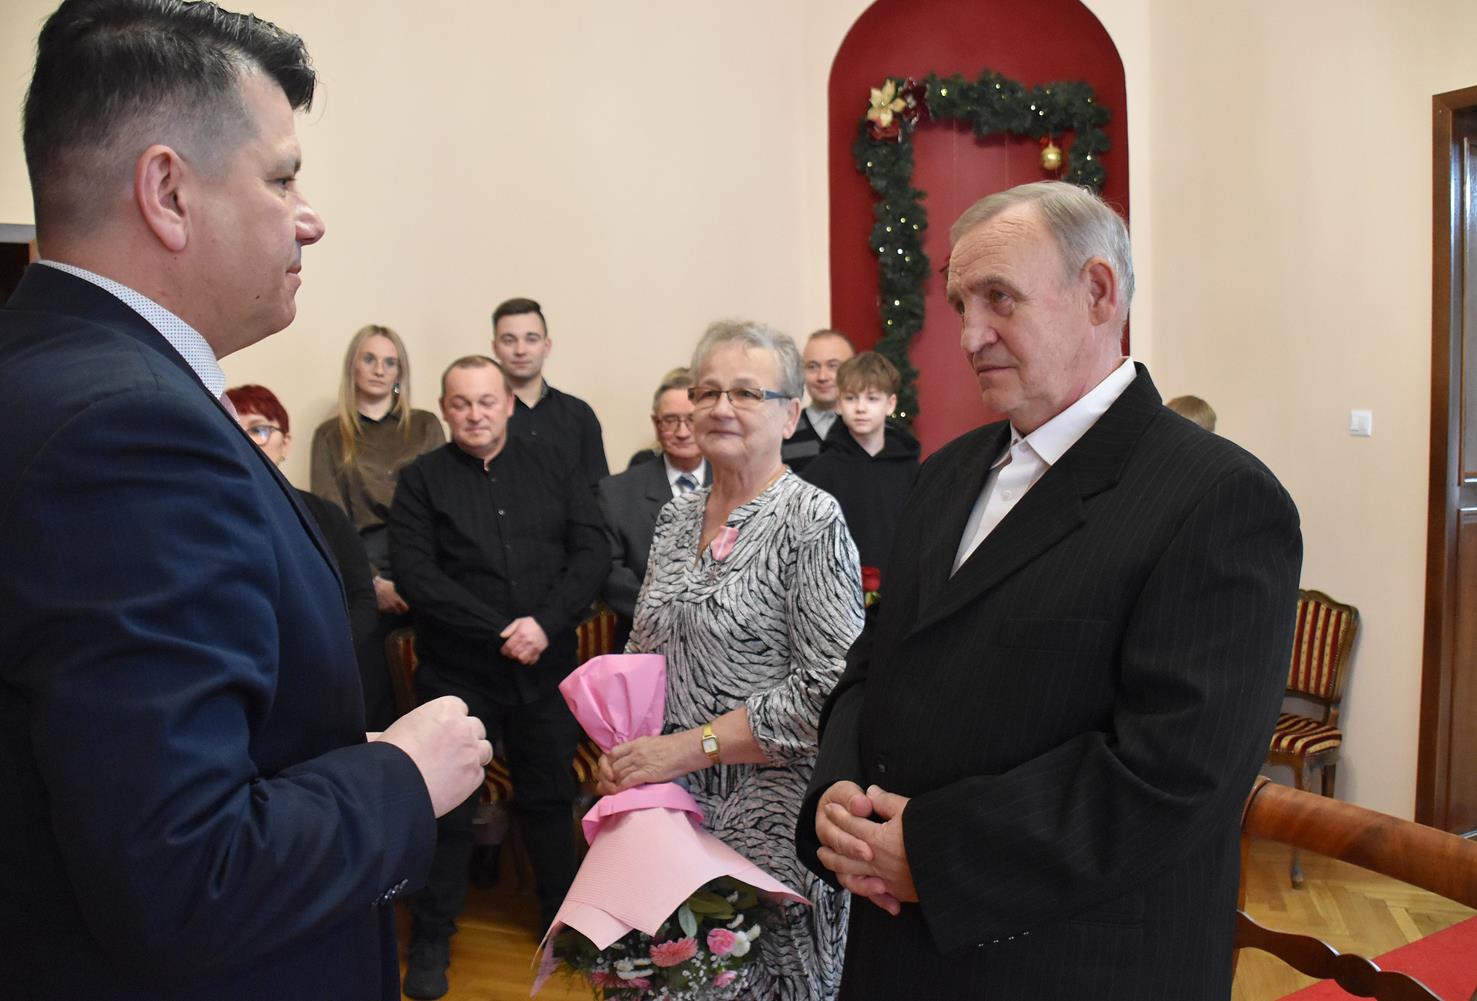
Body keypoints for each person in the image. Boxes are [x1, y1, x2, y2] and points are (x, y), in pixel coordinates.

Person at [0, 4, 491, 1000]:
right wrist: (399, 777)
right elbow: (187, 876)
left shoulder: (55, 373)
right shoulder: (128, 430)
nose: (309, 216)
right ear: (168, 193)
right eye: (281, 177)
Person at [798, 181, 1302, 1000]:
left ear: (1098, 291)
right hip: (894, 943)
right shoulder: (946, 473)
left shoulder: (1218, 497)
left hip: (1070, 960)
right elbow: (875, 661)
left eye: (999, 297)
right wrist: (837, 792)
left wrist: (936, 852)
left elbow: (1173, 774)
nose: (969, 334)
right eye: (961, 303)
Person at [598, 320, 864, 1001]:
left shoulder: (811, 519)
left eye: (746, 392)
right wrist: (624, 751)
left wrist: (686, 749)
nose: (720, 406)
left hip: (767, 829)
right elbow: (643, 651)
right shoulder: (675, 518)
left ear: (790, 413)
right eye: (707, 390)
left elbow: (829, 690)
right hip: (667, 817)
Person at [388, 356, 609, 999]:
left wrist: (544, 623)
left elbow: (592, 550)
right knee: (449, 807)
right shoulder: (421, 480)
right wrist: (500, 630)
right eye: (461, 404)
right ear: (444, 409)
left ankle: (561, 924)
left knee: (547, 798)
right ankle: (432, 938)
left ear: (508, 404)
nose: (475, 414)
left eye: (487, 401)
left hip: (545, 666)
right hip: (460, 671)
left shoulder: (556, 465)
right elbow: (417, 576)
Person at [310, 323, 446, 728]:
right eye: (369, 359)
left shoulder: (425, 425)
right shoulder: (330, 435)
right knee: (368, 669)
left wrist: (420, 577)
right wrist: (373, 582)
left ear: (400, 371)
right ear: (352, 366)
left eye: (390, 362)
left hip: (423, 556)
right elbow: (332, 517)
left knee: (442, 663)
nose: (379, 369)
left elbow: (442, 508)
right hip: (361, 564)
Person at [227, 383, 379, 690]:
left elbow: (362, 599)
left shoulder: (326, 515)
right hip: (249, 674)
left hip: (331, 670)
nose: (246, 441)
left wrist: (326, 652)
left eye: (259, 430)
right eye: (233, 429)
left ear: (286, 443)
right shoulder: (212, 517)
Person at [597, 367, 711, 646]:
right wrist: (668, 615)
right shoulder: (617, 492)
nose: (682, 432)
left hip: (725, 647)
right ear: (656, 423)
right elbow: (608, 571)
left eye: (692, 419)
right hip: (645, 644)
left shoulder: (738, 485)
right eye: (670, 420)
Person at [800, 352, 920, 577]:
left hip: (898, 585)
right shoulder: (819, 472)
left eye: (872, 398)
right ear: (838, 404)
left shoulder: (911, 470)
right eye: (851, 398)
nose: (861, 408)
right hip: (835, 587)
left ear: (890, 404)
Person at [491, 296, 609, 488]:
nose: (520, 350)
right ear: (495, 348)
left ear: (546, 347)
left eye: (531, 339)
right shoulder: (480, 415)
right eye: (509, 340)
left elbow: (598, 490)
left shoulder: (579, 414)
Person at [782, 328, 855, 472]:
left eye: (833, 366)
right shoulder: (784, 431)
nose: (822, 377)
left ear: (853, 369)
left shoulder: (873, 431)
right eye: (812, 367)